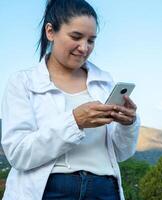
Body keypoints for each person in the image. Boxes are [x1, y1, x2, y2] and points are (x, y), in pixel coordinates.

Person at [1, 0, 140, 199]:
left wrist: (128, 124)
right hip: (49, 191)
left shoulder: (104, 82)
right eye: (76, 36)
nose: (84, 47)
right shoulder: (22, 83)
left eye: (91, 40)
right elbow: (18, 154)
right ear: (50, 31)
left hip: (104, 190)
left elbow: (120, 153)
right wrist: (75, 122)